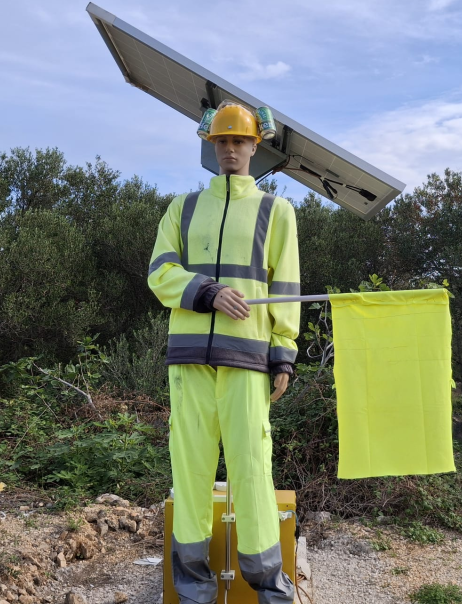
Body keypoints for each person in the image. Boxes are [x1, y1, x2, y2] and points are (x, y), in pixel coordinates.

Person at [148, 100, 300, 604]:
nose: (231, 149)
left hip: (247, 361)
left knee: (253, 471)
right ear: (210, 146)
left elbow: (286, 288)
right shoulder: (182, 209)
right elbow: (159, 273)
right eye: (222, 141)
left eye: (239, 141)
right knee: (188, 473)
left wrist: (283, 352)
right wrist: (208, 291)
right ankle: (193, 590)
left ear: (256, 147)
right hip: (189, 361)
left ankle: (270, 591)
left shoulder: (277, 211)